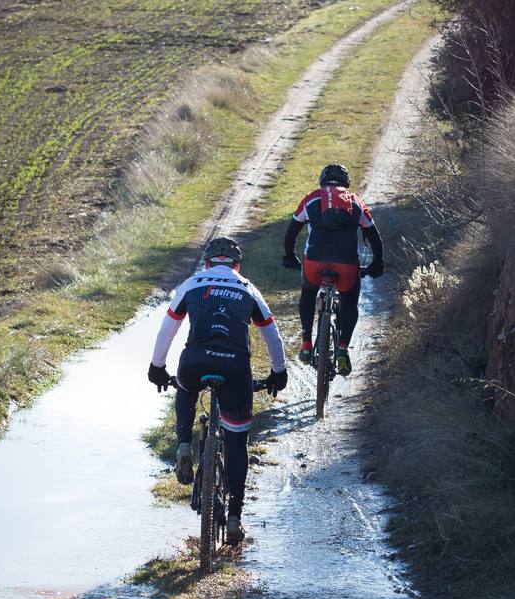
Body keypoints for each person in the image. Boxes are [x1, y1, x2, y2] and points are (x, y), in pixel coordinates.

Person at [148, 236, 287, 544]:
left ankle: (184, 444)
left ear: (207, 263)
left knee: (185, 387)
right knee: (237, 443)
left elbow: (167, 328)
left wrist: (157, 367)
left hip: (194, 361)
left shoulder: (192, 283)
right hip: (236, 368)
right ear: (236, 265)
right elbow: (272, 337)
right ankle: (235, 518)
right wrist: (279, 373)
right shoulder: (248, 288)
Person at [281, 163, 384, 376]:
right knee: (349, 302)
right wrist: (377, 263)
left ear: (322, 181)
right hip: (347, 265)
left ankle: (307, 343)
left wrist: (290, 257)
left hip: (314, 264)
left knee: (308, 293)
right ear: (346, 183)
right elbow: (374, 236)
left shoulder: (311, 199)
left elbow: (291, 232)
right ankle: (343, 348)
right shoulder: (355, 201)